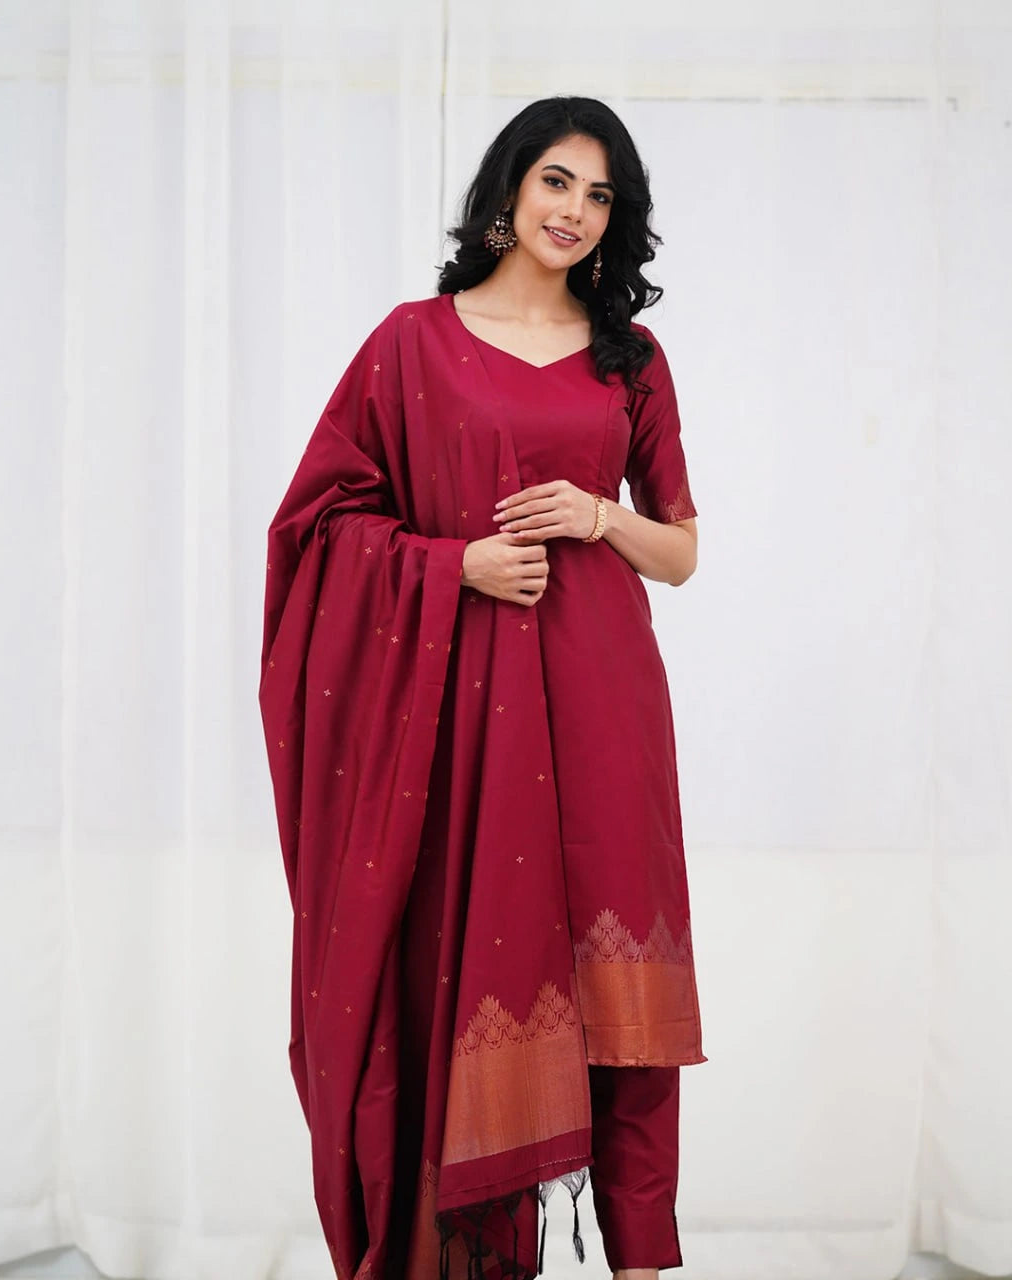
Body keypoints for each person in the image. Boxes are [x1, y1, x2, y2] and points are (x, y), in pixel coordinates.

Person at [259, 94, 707, 1280]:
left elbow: (683, 548)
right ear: (509, 186)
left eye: (600, 195)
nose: (574, 210)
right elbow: (317, 524)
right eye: (557, 181)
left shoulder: (630, 358)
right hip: (462, 720)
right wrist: (448, 562)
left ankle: (644, 1263)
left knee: (625, 1001)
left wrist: (598, 515)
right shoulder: (411, 340)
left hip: (607, 705)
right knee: (462, 968)